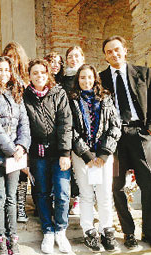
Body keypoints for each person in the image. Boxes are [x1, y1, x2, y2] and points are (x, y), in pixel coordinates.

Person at [100, 35, 151, 249]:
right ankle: (128, 232)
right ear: (105, 56)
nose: (114, 54)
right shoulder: (101, 78)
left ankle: (148, 232)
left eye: (117, 49)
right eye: (109, 51)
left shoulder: (143, 73)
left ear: (125, 50)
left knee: (148, 184)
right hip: (115, 138)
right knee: (117, 186)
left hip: (140, 134)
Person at [0, 56, 31, 255]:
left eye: (7, 70)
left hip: (15, 155)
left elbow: (24, 124)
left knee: (11, 198)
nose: (3, 74)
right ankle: (0, 238)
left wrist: (22, 146)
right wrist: (12, 150)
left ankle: (13, 239)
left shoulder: (16, 93)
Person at [69, 64, 121, 252]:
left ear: (95, 79)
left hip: (104, 156)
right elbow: (70, 130)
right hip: (82, 155)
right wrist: (87, 154)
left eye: (89, 77)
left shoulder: (106, 99)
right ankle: (89, 230)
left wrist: (104, 153)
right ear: (78, 80)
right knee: (86, 194)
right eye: (82, 77)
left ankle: (106, 229)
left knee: (105, 194)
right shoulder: (72, 100)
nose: (86, 81)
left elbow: (115, 126)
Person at [23, 59, 73, 254]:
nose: (39, 76)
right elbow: (23, 126)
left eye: (42, 72)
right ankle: (48, 231)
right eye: (35, 73)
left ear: (48, 74)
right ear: (30, 76)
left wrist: (64, 152)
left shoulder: (58, 94)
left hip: (58, 154)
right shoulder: (25, 96)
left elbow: (65, 123)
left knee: (62, 193)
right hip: (37, 154)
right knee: (41, 193)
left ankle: (61, 230)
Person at [2, 41, 30, 223]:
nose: (12, 61)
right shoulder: (3, 80)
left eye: (14, 57)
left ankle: (20, 206)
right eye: (8, 57)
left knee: (22, 172)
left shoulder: (27, 81)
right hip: (7, 133)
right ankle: (8, 206)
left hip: (25, 131)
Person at [62, 46, 85, 215]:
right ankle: (76, 198)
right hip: (69, 127)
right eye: (70, 56)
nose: (74, 59)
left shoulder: (88, 76)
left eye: (77, 56)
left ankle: (87, 198)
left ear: (82, 58)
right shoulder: (63, 80)